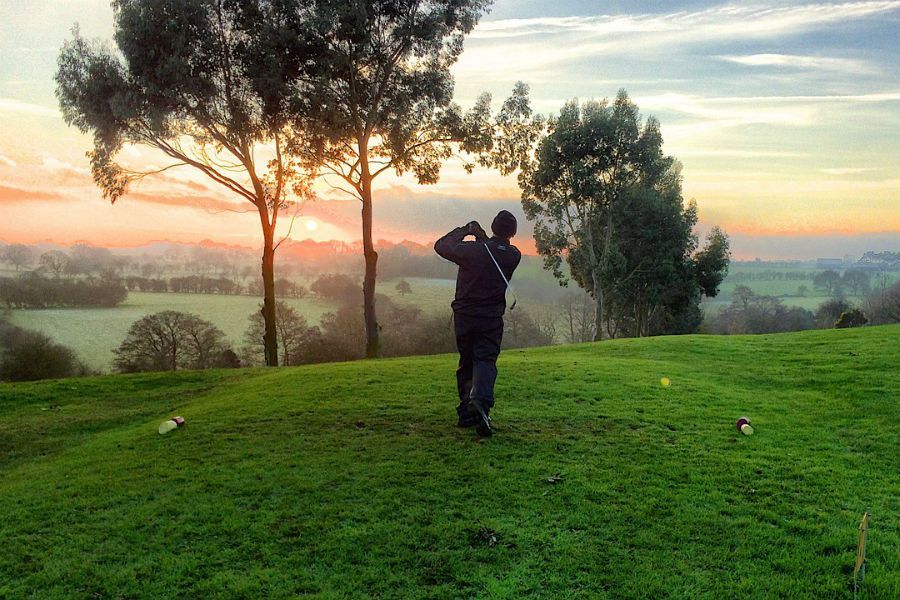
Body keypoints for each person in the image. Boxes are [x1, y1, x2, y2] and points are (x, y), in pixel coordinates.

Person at [434, 210, 521, 436]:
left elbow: (441, 245)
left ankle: (467, 410)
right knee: (485, 359)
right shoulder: (514, 255)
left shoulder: (473, 251)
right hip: (491, 317)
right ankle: (480, 403)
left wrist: (466, 230)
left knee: (467, 360)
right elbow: (493, 252)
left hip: (465, 315)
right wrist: (483, 238)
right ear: (513, 232)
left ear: (492, 227)